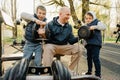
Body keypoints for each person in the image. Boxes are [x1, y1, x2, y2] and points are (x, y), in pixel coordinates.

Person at [43, 6, 86, 72]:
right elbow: (46, 38)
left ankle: (69, 70)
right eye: (67, 14)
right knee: (47, 47)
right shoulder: (50, 24)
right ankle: (46, 71)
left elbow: (71, 41)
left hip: (64, 47)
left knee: (79, 49)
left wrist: (81, 36)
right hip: (52, 46)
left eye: (69, 15)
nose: (69, 17)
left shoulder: (69, 27)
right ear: (60, 14)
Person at [83, 11, 106, 78]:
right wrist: (84, 43)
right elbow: (84, 35)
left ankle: (98, 74)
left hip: (96, 44)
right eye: (86, 18)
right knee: (88, 58)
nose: (88, 20)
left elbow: (104, 27)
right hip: (88, 44)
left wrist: (95, 27)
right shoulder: (85, 25)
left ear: (93, 18)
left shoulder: (97, 22)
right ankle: (89, 71)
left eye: (90, 18)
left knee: (95, 58)